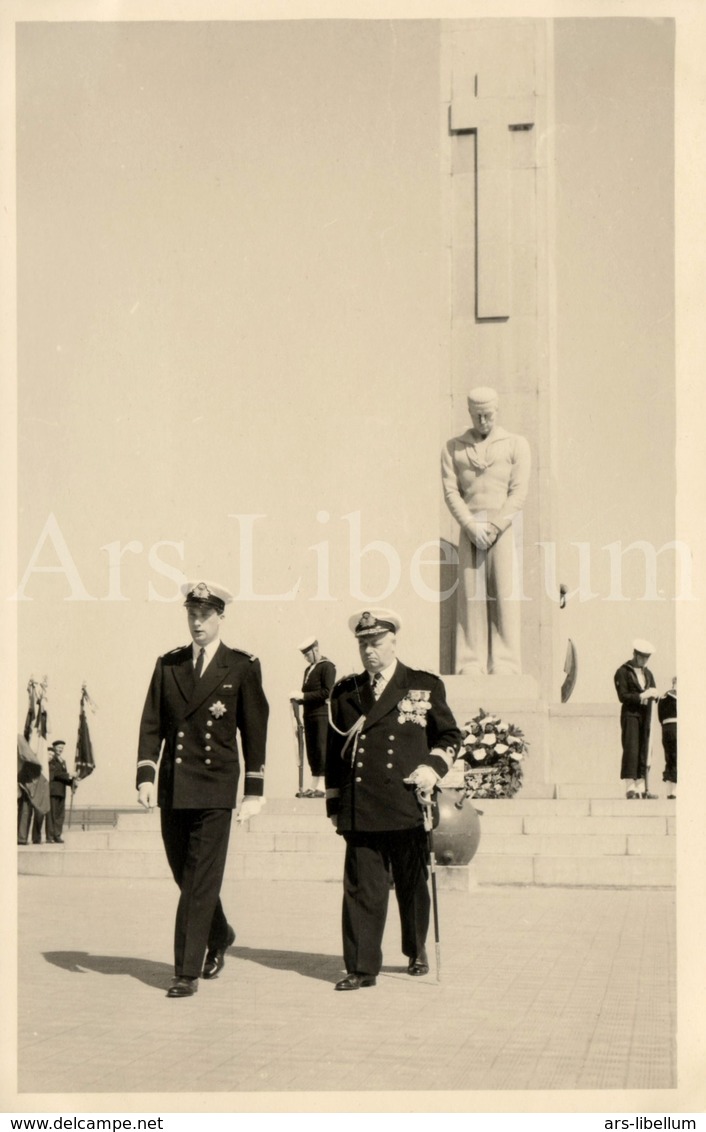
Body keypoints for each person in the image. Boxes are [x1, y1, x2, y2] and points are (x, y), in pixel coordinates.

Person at [136, 580, 269, 998]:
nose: (197, 622)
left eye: (205, 615)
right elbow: (152, 723)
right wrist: (146, 774)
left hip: (215, 788)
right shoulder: (169, 664)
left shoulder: (242, 665)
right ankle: (221, 931)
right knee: (185, 874)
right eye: (191, 615)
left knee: (198, 878)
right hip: (174, 788)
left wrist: (254, 790)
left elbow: (255, 731)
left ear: (220, 618)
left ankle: (186, 971)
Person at [325, 609, 462, 990]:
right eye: (363, 643)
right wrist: (335, 803)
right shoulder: (346, 691)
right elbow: (333, 750)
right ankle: (361, 966)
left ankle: (416, 949)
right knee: (360, 889)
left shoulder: (422, 684)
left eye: (376, 642)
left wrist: (433, 768)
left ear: (393, 641)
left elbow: (450, 736)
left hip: (406, 801)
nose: (369, 650)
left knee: (411, 885)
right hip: (362, 804)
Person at [441, 386, 531, 676]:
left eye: (488, 415)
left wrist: (495, 525)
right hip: (470, 527)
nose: (483, 421)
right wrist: (469, 524)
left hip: (501, 527)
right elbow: (451, 491)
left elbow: (518, 492)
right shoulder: (453, 447)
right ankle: (470, 661)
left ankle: (505, 661)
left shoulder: (516, 444)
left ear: (497, 411)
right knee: (471, 597)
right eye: (477, 416)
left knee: (504, 593)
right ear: (469, 413)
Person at [613, 639, 659, 799]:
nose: (645, 661)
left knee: (644, 749)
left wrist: (655, 694)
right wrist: (641, 696)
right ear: (635, 654)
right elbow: (623, 696)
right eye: (642, 657)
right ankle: (630, 786)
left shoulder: (648, 673)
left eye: (647, 657)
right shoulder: (623, 672)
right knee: (631, 748)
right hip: (631, 714)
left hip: (645, 715)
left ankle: (642, 786)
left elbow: (653, 689)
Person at [292, 637, 336, 798]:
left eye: (307, 654)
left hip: (322, 714)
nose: (306, 658)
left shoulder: (327, 667)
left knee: (321, 748)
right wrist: (300, 699)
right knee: (312, 751)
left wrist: (303, 695)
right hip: (309, 715)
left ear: (315, 650)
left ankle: (323, 786)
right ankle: (314, 785)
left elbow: (327, 692)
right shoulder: (309, 669)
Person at [46, 740, 76, 844]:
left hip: (61, 792)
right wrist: (69, 775)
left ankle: (57, 835)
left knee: (60, 815)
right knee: (51, 815)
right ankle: (49, 837)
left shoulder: (63, 761)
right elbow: (56, 774)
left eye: (62, 748)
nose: (60, 749)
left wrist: (72, 781)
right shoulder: (51, 759)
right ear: (54, 747)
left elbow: (63, 777)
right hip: (53, 791)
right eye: (59, 747)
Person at [657, 677, 677, 799]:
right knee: (676, 758)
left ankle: (670, 791)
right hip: (676, 727)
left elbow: (660, 717)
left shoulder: (663, 697)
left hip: (666, 728)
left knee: (669, 758)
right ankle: (674, 791)